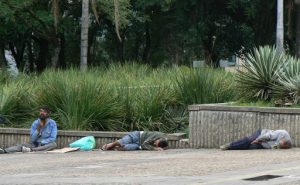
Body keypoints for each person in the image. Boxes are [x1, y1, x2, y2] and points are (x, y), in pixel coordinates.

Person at [220, 129, 292, 150]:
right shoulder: (282, 133)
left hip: (263, 144)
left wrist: (260, 144)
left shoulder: (286, 145)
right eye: (280, 143)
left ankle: (233, 147)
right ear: (282, 139)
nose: (279, 146)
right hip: (261, 134)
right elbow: (267, 135)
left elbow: (272, 147)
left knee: (251, 147)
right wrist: (257, 140)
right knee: (249, 140)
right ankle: (229, 145)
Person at [102, 131, 168, 151]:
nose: (154, 143)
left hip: (139, 146)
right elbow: (145, 144)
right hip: (137, 136)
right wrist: (154, 148)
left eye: (155, 144)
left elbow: (166, 146)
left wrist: (163, 148)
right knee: (123, 142)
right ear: (159, 139)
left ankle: (114, 148)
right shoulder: (156, 135)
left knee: (126, 148)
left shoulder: (164, 141)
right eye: (155, 142)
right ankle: (111, 145)